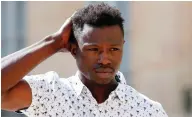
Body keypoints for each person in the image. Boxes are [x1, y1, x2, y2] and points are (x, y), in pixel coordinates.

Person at [1, 3, 168, 117]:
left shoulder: (148, 111)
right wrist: (53, 43)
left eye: (114, 49)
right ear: (74, 50)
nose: (105, 59)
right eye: (94, 49)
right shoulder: (50, 94)